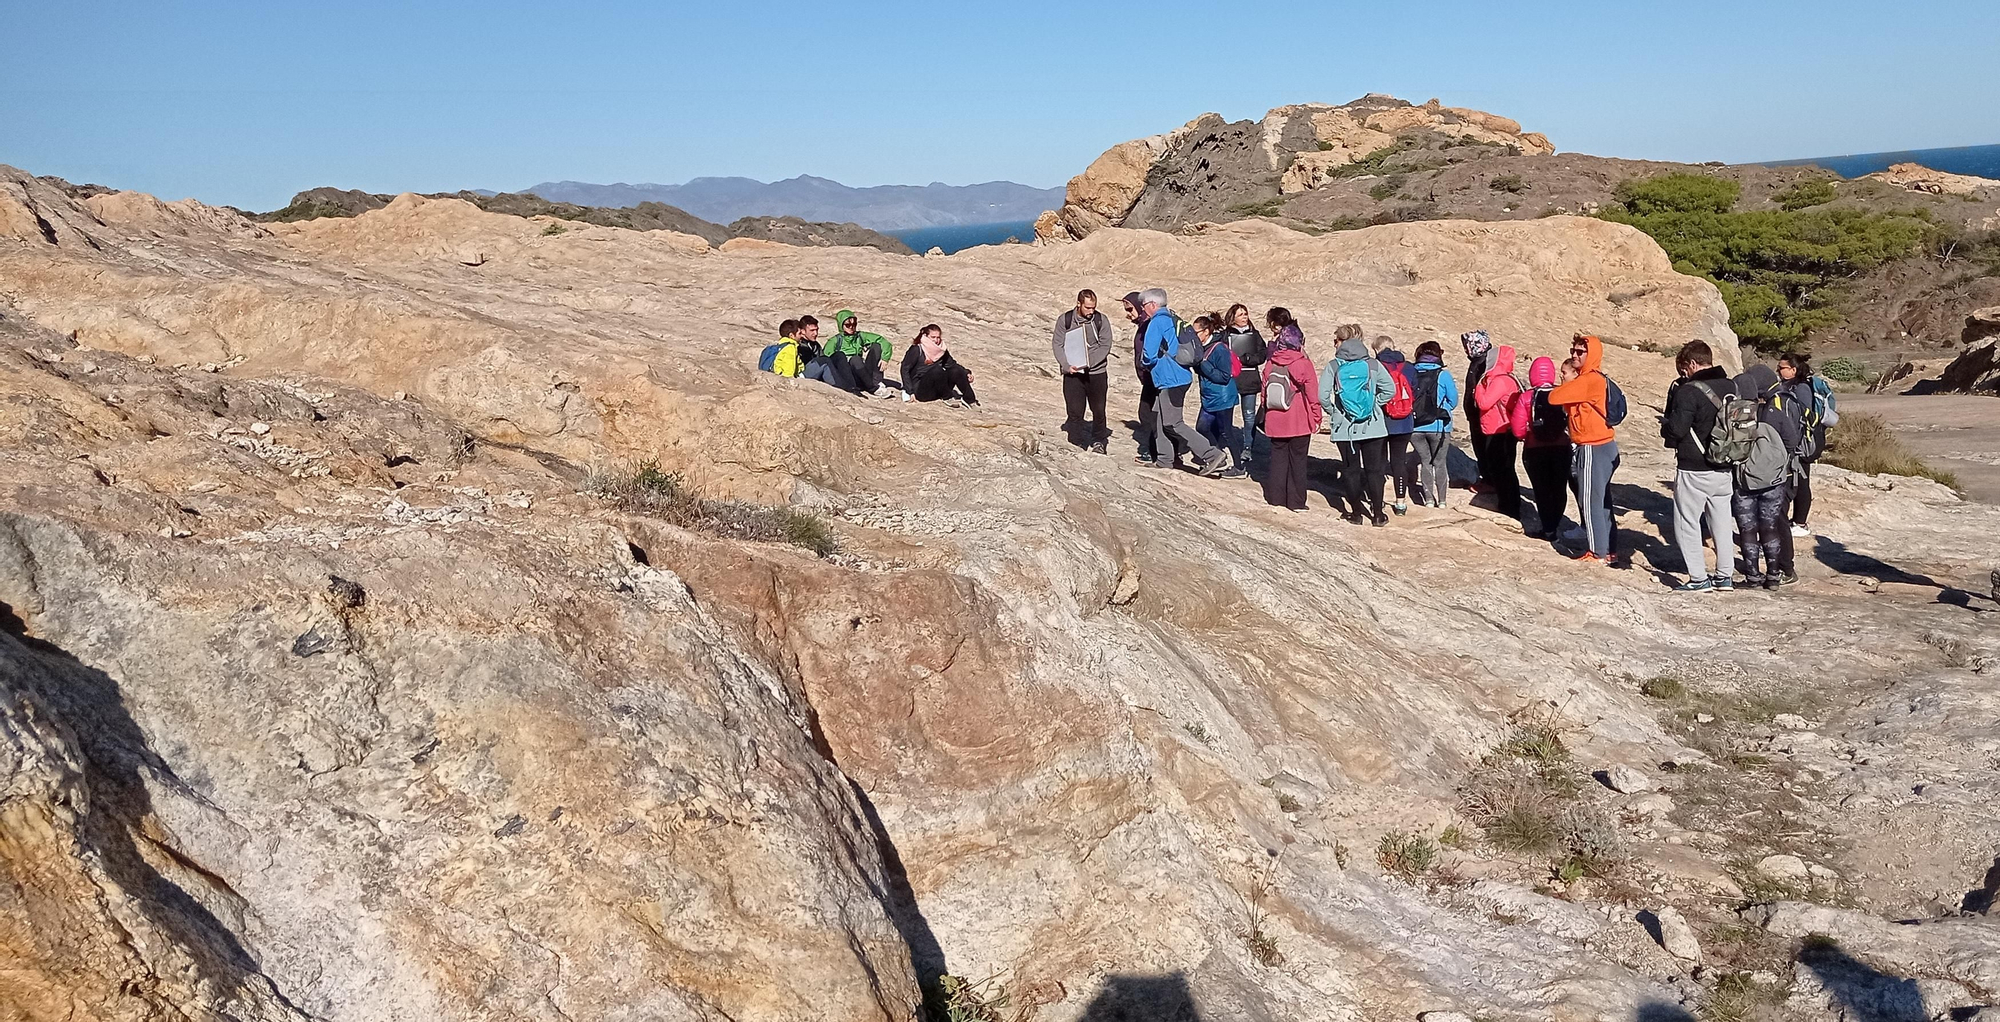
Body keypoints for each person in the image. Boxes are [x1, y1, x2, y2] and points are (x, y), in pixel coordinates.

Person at [1660, 340, 1737, 592]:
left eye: (1684, 369)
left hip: (1695, 467)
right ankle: (1724, 576)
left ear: (1692, 364)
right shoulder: (1731, 386)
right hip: (1725, 465)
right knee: (1722, 523)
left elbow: (1677, 430)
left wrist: (1666, 425)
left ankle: (1698, 578)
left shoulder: (1689, 391)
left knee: (1687, 522)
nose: (1683, 374)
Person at [1137, 288, 1229, 476]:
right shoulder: (1172, 318)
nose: (1143, 309)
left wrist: (1145, 364)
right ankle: (1164, 459)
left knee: (1173, 422)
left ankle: (1212, 455)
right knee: (1159, 416)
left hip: (1170, 379)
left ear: (1153, 304)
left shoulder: (1157, 322)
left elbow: (1149, 353)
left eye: (1144, 305)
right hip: (1175, 378)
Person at [1547, 335, 1620, 563]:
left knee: (1589, 502)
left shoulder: (1588, 380)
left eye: (1580, 352)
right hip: (1606, 446)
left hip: (1592, 447)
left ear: (1592, 354)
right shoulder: (1597, 379)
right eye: (1573, 351)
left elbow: (1554, 397)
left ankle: (1596, 552)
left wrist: (1568, 384)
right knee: (1603, 502)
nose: (1575, 355)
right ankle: (1608, 550)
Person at [1732, 364, 1802, 589]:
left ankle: (1753, 575)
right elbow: (1792, 442)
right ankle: (1777, 574)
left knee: (1748, 527)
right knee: (1773, 525)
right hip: (1775, 480)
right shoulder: (1776, 412)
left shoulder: (1737, 415)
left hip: (1745, 481)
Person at [1321, 324, 1397, 526]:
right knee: (1374, 470)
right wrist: (1374, 404)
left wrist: (1335, 412)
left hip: (1345, 429)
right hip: (1373, 426)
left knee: (1350, 470)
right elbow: (1390, 390)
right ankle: (1378, 515)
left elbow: (1322, 397)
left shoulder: (1334, 366)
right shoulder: (1372, 365)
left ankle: (1356, 514)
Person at [1259, 310, 1321, 510]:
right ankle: (1296, 502)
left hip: (1276, 418)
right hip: (1298, 420)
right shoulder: (1302, 364)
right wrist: (1316, 418)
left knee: (1278, 459)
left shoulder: (1271, 362)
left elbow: (1264, 391)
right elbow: (1312, 394)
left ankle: (1275, 497)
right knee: (1298, 461)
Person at [1518, 356, 1573, 540]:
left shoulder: (1527, 397)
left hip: (1535, 449)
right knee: (1559, 488)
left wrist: (1525, 436)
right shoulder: (1563, 392)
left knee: (1541, 490)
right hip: (1561, 448)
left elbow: (1518, 428)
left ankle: (1547, 528)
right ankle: (1555, 523)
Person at [1052, 289, 1113, 452]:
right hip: (1073, 374)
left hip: (1096, 373)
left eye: (1093, 308)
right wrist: (1066, 365)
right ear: (1079, 304)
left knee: (1099, 409)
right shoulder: (1065, 320)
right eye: (1087, 308)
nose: (1091, 311)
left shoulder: (1101, 320)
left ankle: (1100, 441)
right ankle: (1075, 442)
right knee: (1074, 410)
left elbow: (1105, 345)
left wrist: (1088, 363)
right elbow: (1058, 344)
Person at [1776, 351, 1828, 538]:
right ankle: (1796, 521)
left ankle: (1800, 522)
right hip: (1796, 442)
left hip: (1802, 443)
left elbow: (1804, 417)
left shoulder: (1801, 388)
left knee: (1802, 482)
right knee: (1797, 480)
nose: (1779, 370)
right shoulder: (1790, 386)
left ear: (1793, 369)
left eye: (1782, 368)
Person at [1192, 313, 1249, 479]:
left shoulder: (1219, 349)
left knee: (1226, 432)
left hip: (1223, 397)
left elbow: (1224, 376)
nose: (1194, 335)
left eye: (1197, 332)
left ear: (1207, 331)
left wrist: (1203, 364)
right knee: (1202, 427)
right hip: (1209, 397)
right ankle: (1218, 456)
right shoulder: (1200, 348)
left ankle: (1239, 468)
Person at [1472, 344, 1525, 519]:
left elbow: (1484, 403)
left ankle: (1509, 507)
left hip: (1500, 430)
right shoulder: (1505, 378)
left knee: (1502, 470)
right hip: (1501, 429)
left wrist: (1478, 388)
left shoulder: (1500, 380)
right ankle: (1508, 504)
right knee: (1503, 469)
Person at [1408, 340, 1459, 508]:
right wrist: (1442, 409)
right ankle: (1442, 501)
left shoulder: (1411, 373)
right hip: (1439, 426)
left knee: (1425, 462)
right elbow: (1453, 401)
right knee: (1439, 463)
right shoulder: (1443, 375)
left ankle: (1428, 500)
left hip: (1415, 426)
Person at [1222, 304, 1268, 471]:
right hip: (1231, 380)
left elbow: (1263, 354)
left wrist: (1248, 358)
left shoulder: (1254, 335)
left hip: (1249, 379)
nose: (1244, 317)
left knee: (1248, 416)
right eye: (1240, 314)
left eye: (1245, 314)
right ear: (1232, 317)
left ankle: (1248, 447)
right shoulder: (1225, 335)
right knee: (1225, 414)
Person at [1375, 338, 1417, 516]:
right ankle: (1400, 503)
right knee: (1399, 462)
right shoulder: (1408, 367)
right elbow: (1416, 390)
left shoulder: (1376, 366)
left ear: (1377, 350)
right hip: (1404, 422)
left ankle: (1378, 500)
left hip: (1381, 421)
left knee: (1379, 463)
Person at [1123, 292, 1160, 465]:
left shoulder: (1149, 325)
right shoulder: (1143, 324)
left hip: (1154, 377)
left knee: (1148, 415)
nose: (1128, 313)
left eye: (1130, 309)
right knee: (1150, 415)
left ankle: (1153, 451)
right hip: (1148, 378)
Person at [900, 324, 978, 406]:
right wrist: (910, 391)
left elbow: (952, 365)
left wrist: (966, 373)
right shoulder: (917, 349)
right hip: (921, 390)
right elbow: (905, 369)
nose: (936, 340)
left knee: (956, 370)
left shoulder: (941, 350)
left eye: (938, 337)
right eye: (933, 337)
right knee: (937, 370)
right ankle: (947, 398)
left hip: (938, 389)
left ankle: (969, 399)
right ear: (926, 336)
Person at [824, 309, 894, 396]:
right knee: (855, 359)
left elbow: (883, 341)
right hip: (850, 376)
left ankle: (876, 382)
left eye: (854, 324)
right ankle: (873, 388)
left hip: (862, 371)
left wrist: (885, 358)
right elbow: (826, 359)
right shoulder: (835, 341)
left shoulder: (860, 336)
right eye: (848, 325)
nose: (851, 327)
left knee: (876, 346)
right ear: (841, 325)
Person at [1460, 330, 1496, 487]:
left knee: (1484, 449)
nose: (1465, 349)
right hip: (1477, 413)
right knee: (1481, 448)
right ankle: (1488, 479)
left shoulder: (1483, 363)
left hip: (1481, 414)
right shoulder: (1480, 361)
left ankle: (1489, 481)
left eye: (1467, 346)